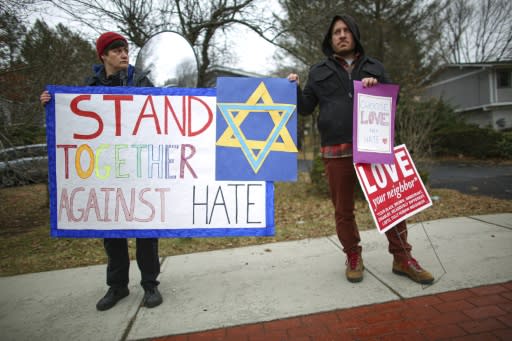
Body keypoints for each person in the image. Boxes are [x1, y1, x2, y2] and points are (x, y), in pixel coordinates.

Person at [288, 15, 434, 285]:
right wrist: (293, 88)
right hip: (336, 149)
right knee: (343, 210)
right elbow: (306, 107)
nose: (341, 35)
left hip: (373, 147)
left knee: (391, 204)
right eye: (336, 32)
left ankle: (402, 258)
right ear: (330, 39)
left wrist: (376, 86)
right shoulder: (318, 70)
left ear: (354, 35)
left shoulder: (374, 66)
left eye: (346, 31)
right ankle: (353, 255)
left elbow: (394, 99)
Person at [40, 32, 163, 310]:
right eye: (116, 50)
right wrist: (50, 105)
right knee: (112, 233)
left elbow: (164, 115)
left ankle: (150, 286)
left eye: (125, 49)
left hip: (140, 169)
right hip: (107, 171)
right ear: (103, 56)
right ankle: (117, 287)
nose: (123, 54)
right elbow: (71, 124)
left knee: (146, 232)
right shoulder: (90, 86)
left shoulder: (141, 81)